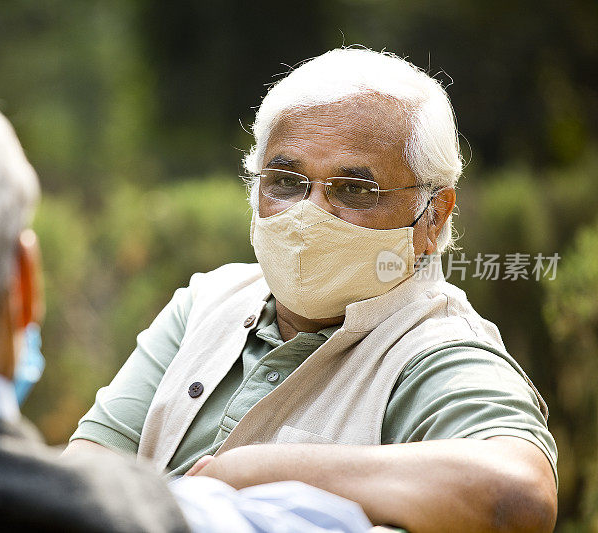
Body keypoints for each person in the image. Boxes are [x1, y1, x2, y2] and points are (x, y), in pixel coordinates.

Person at [0, 77, 374, 533]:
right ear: (25, 286)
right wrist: (247, 472)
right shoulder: (149, 519)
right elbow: (448, 497)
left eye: (353, 189)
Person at [67, 48, 558, 532]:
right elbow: (84, 474)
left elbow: (519, 496)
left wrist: (258, 471)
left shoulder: (434, 351)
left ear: (434, 216)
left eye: (353, 190)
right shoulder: (207, 302)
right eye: (285, 181)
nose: (309, 214)